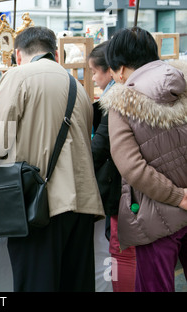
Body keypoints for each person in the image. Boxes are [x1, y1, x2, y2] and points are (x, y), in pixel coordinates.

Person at [0, 26, 105, 292]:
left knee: (38, 284)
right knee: (76, 284)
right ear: (55, 53)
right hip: (80, 202)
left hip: (39, 204)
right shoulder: (77, 85)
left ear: (17, 54)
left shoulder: (18, 76)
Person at [100, 26, 187, 292]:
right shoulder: (182, 84)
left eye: (113, 71)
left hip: (156, 218)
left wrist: (178, 197)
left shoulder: (123, 100)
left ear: (121, 68)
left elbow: (131, 166)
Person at [88, 41, 136, 292]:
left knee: (122, 250)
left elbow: (100, 147)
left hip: (125, 190)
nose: (94, 78)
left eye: (95, 72)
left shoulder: (116, 100)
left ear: (114, 70)